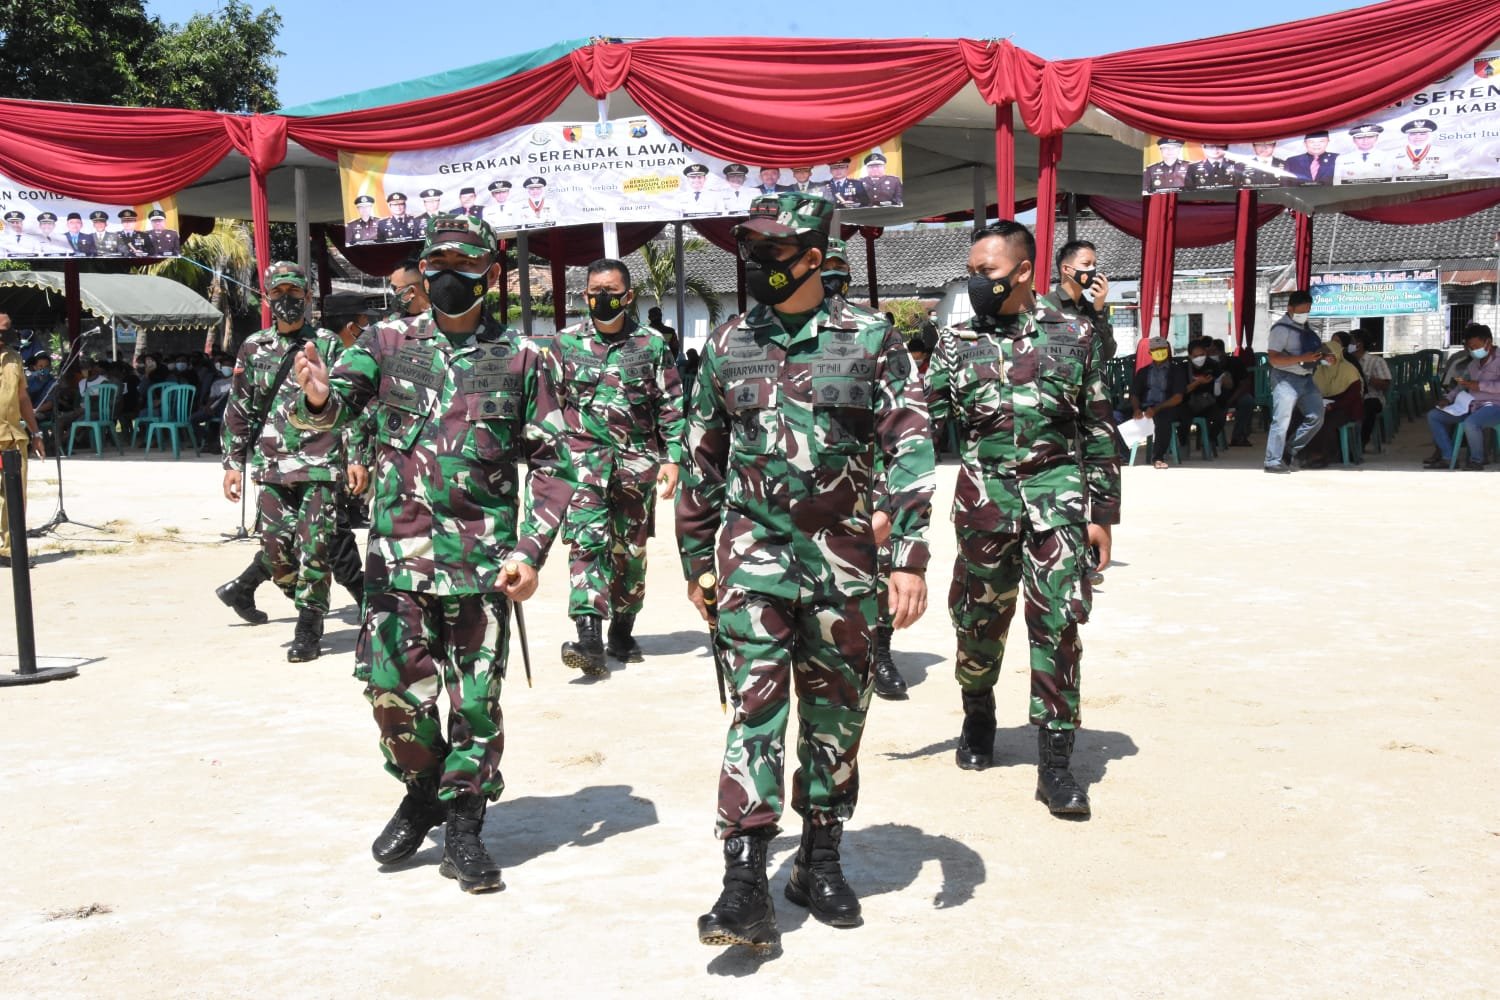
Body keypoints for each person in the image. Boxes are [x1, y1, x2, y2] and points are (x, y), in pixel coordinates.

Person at [289, 213, 586, 894]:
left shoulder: (521, 359)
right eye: (437, 264)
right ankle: (423, 789)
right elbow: (334, 406)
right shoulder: (388, 342)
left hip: (483, 569)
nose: (448, 277)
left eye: (463, 265)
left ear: (492, 273)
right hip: (397, 561)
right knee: (393, 695)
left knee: (475, 704)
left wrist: (532, 550)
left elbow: (552, 461)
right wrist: (317, 397)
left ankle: (463, 827)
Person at [680, 192, 936, 947]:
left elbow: (911, 450)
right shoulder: (728, 343)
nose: (759, 266)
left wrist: (909, 556)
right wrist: (698, 561)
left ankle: (819, 857)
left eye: (775, 253)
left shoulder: (871, 340)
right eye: (751, 252)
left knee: (835, 723)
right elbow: (700, 460)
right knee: (754, 711)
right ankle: (743, 881)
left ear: (817, 257)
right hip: (751, 561)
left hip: (843, 567)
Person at [927, 219, 1119, 819]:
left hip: (1057, 498)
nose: (976, 283)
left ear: (1024, 271)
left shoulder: (1075, 335)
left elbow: (1097, 426)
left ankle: (1056, 763)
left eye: (986, 272)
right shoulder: (955, 342)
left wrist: (1103, 513)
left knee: (1059, 623)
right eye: (971, 273)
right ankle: (978, 713)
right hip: (984, 502)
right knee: (978, 619)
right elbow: (915, 420)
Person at [216, 262, 365, 661]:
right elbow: (239, 406)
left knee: (315, 547)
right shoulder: (253, 347)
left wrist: (356, 456)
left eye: (295, 294)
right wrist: (232, 462)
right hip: (272, 464)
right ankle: (298, 598)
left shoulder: (328, 345)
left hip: (320, 463)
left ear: (308, 297)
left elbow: (350, 404)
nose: (287, 301)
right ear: (266, 297)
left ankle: (309, 626)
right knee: (275, 548)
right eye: (279, 294)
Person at [554, 258, 684, 673]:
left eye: (611, 291)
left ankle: (623, 627)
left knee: (630, 551)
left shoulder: (651, 345)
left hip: (636, 465)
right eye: (595, 291)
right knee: (586, 545)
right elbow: (549, 405)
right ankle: (588, 635)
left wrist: (673, 458)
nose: (602, 299)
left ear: (628, 296)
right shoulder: (566, 344)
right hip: (583, 464)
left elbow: (670, 404)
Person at [821, 236, 908, 699]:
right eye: (824, 267)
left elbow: (905, 424)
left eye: (838, 268)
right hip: (815, 480)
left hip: (869, 475)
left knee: (880, 564)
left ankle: (884, 652)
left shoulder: (873, 331)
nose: (830, 278)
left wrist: (892, 499)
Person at [1263, 291, 1328, 473]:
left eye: (1307, 311)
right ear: (1289, 308)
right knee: (1281, 420)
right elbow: (1274, 359)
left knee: (1316, 416)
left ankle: (1288, 450)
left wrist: (1323, 357)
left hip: (1306, 378)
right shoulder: (1280, 329)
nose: (1304, 315)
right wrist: (1301, 357)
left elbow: (1312, 352)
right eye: (1301, 311)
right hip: (1285, 379)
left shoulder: (1305, 327)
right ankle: (1272, 461)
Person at [0, 314, 45, 567]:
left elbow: (23, 398)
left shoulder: (14, 358)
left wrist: (36, 434)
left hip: (14, 438)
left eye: (6, 332)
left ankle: (11, 551)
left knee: (15, 497)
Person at [1424, 323, 1500, 470]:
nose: (1473, 350)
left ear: (1488, 342)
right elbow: (1461, 385)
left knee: (1471, 423)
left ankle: (1477, 461)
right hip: (1470, 405)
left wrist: (1479, 385)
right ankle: (1448, 456)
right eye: (1470, 348)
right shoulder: (1473, 364)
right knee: (1434, 416)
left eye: (1476, 346)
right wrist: (1448, 398)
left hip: (1494, 406)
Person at [1039, 239, 1117, 360]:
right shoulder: (1044, 306)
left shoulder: (1094, 310)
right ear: (1066, 269)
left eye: (1094, 265)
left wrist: (1099, 311)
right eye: (1086, 264)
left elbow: (1107, 353)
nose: (1092, 270)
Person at [1297, 330, 1364, 469]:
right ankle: (1301, 453)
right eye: (1324, 356)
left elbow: (1353, 397)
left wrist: (1333, 406)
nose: (1327, 359)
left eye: (1330, 356)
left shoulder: (1348, 370)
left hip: (1345, 408)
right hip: (1324, 406)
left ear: (1337, 355)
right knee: (1301, 416)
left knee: (1327, 422)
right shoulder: (1320, 371)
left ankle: (1322, 455)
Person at [1131, 337, 1189, 468]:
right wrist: (1136, 409)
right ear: (1150, 352)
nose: (1159, 352)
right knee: (1116, 416)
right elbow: (1134, 394)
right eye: (1155, 349)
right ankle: (1123, 455)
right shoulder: (1143, 372)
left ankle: (1158, 457)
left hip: (1166, 406)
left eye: (1162, 349)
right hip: (1145, 406)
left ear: (1168, 350)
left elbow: (1178, 397)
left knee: (1163, 420)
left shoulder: (1176, 370)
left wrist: (1157, 409)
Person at [1182, 338, 1229, 452]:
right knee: (1181, 416)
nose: (1199, 358)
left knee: (1221, 415)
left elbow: (1227, 383)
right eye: (1196, 356)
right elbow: (1182, 391)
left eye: (1202, 355)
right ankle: (1183, 443)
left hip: (1208, 402)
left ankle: (1209, 440)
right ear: (1190, 356)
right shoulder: (1183, 368)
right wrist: (1198, 382)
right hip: (1188, 403)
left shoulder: (1212, 364)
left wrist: (1224, 379)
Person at [1349, 331, 1391, 447]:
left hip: (1372, 396)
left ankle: (1360, 443)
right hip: (1351, 397)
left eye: (1350, 342)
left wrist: (1365, 377)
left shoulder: (1376, 361)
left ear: (1359, 344)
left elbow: (1386, 384)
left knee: (1369, 407)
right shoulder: (1345, 361)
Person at [1212, 338, 1256, 446]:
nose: (1212, 355)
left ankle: (1239, 436)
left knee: (1247, 401)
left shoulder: (1235, 362)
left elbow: (1245, 383)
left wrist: (1232, 399)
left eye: (1215, 352)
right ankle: (1211, 438)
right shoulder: (1208, 365)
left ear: (1222, 352)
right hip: (1215, 397)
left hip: (1235, 395)